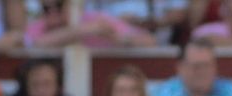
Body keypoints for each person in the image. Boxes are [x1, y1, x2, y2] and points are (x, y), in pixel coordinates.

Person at [23, 0, 155, 47]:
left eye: (58, 5)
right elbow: (35, 43)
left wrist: (122, 40)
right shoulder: (38, 25)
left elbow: (149, 41)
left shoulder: (97, 19)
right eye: (46, 8)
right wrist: (84, 30)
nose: (52, 12)